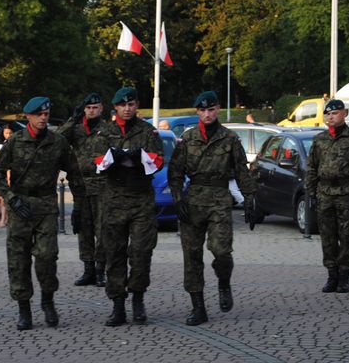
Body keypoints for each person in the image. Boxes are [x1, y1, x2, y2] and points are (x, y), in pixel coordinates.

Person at [0, 96, 86, 331]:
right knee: (18, 259)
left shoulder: (58, 142)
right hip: (19, 205)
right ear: (28, 117)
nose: (44, 118)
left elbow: (74, 172)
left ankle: (48, 300)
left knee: (47, 256)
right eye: (39, 114)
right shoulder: (15, 142)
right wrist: (10, 198)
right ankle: (24, 308)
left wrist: (79, 206)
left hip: (45, 204)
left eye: (46, 114)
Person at [168, 91, 256, 326]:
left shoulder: (229, 138)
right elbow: (175, 172)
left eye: (211, 109)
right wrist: (177, 199)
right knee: (192, 256)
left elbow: (241, 170)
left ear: (217, 109)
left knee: (222, 251)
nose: (207, 114)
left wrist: (249, 198)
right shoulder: (188, 138)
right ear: (197, 112)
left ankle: (224, 282)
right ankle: (198, 308)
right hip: (193, 200)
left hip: (219, 199)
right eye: (203, 110)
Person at [94, 87, 164, 326]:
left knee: (141, 252)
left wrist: (137, 158)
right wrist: (115, 160)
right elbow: (94, 160)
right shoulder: (104, 132)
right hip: (113, 201)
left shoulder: (148, 132)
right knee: (114, 254)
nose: (127, 108)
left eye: (131, 104)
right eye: (122, 105)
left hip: (140, 201)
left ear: (137, 106)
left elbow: (158, 160)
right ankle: (117, 305)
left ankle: (138, 298)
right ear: (115, 107)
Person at [305, 99, 349, 293]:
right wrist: (311, 192)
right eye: (328, 114)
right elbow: (311, 167)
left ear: (345, 114)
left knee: (346, 237)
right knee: (327, 237)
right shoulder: (320, 139)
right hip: (324, 193)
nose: (330, 117)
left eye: (335, 113)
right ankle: (331, 275)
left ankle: (344, 277)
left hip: (346, 193)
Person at [57, 93, 108, 287]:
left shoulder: (107, 129)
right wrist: (73, 118)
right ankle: (88, 269)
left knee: (102, 230)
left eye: (95, 107)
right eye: (88, 108)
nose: (91, 110)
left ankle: (100, 269)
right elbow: (58, 138)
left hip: (102, 186)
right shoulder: (76, 128)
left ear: (101, 108)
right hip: (80, 187)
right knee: (83, 229)